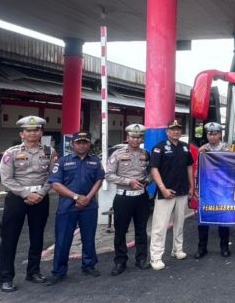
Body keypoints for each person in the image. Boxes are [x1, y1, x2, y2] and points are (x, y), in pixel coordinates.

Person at [0, 116, 56, 292]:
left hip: (40, 197)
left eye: (36, 130)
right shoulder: (11, 153)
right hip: (17, 198)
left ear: (41, 132)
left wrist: (41, 193)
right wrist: (26, 194)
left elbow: (53, 176)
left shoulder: (49, 151)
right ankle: (6, 278)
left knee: (37, 236)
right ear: (22, 134)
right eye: (28, 130)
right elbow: (6, 180)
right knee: (9, 238)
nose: (32, 133)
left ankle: (33, 271)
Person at [46, 131, 105, 285]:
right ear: (72, 144)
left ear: (89, 144)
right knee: (63, 240)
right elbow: (55, 184)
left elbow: (99, 180)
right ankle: (59, 271)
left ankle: (89, 265)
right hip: (67, 206)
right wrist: (76, 197)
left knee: (89, 238)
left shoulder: (95, 162)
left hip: (89, 206)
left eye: (85, 142)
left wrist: (88, 198)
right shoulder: (63, 162)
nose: (82, 145)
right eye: (78, 142)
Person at [105, 123, 151, 276]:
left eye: (138, 137)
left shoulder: (146, 154)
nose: (135, 140)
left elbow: (152, 173)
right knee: (120, 231)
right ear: (127, 137)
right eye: (132, 137)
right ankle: (120, 261)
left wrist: (147, 181)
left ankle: (141, 259)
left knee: (141, 230)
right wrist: (129, 182)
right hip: (123, 198)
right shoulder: (117, 154)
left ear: (141, 139)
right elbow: (109, 175)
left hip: (142, 198)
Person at [149, 119, 194, 270]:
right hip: (166, 193)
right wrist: (162, 188)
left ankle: (177, 250)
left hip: (182, 191)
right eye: (173, 129)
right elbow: (154, 169)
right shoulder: (159, 148)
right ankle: (156, 257)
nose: (176, 131)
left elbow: (189, 167)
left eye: (178, 129)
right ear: (167, 132)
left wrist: (191, 185)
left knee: (180, 223)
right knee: (160, 226)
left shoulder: (185, 147)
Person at [194, 122, 232, 259]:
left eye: (215, 133)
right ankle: (202, 248)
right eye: (209, 134)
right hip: (206, 187)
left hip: (222, 188)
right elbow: (197, 170)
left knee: (223, 219)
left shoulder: (226, 148)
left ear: (220, 135)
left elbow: (229, 165)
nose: (212, 136)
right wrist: (196, 187)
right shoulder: (202, 149)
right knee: (203, 219)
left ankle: (224, 247)